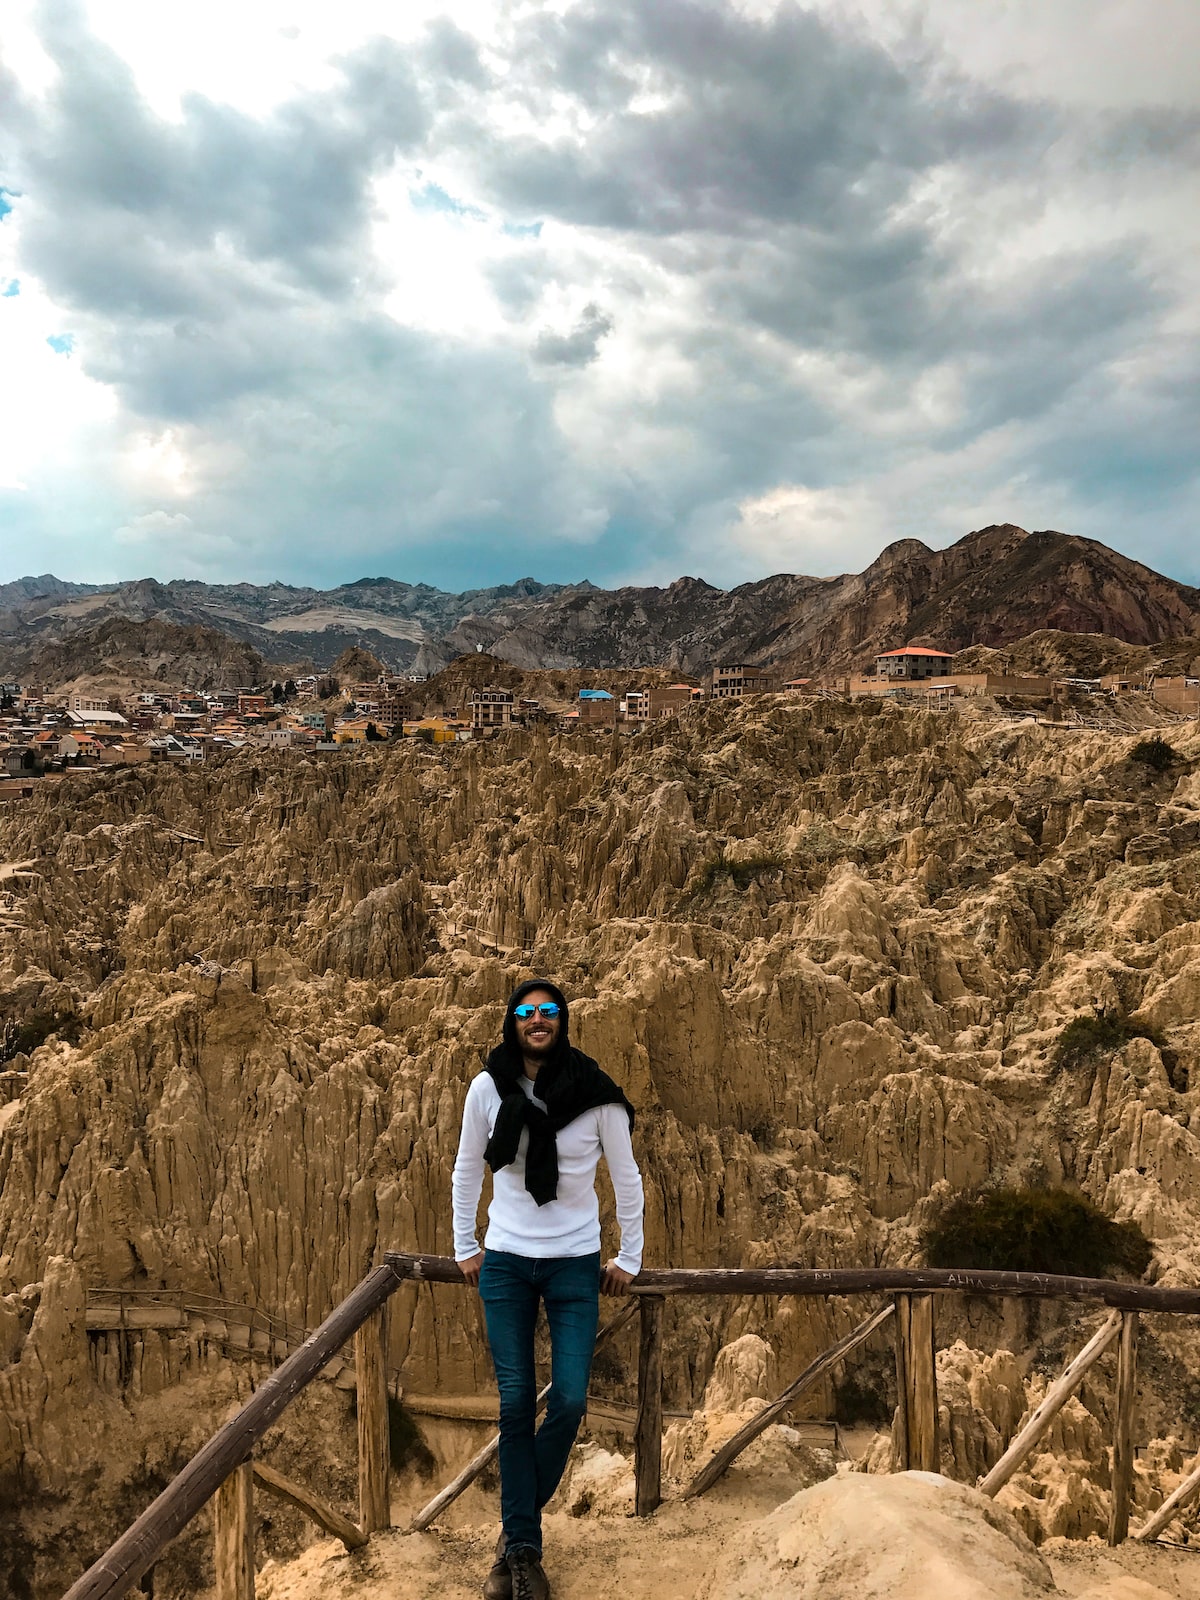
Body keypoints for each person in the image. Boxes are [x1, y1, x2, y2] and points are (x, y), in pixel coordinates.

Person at [452, 979, 644, 1600]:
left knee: (566, 1400)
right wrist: (465, 1245)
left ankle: (511, 1537)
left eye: (549, 1011)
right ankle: (526, 1555)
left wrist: (630, 1258)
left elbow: (626, 1176)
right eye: (526, 1012)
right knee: (513, 1403)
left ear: (564, 1020)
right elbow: (465, 1168)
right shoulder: (488, 1088)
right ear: (512, 1022)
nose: (538, 1020)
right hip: (505, 1261)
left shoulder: (597, 1096)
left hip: (572, 1264)